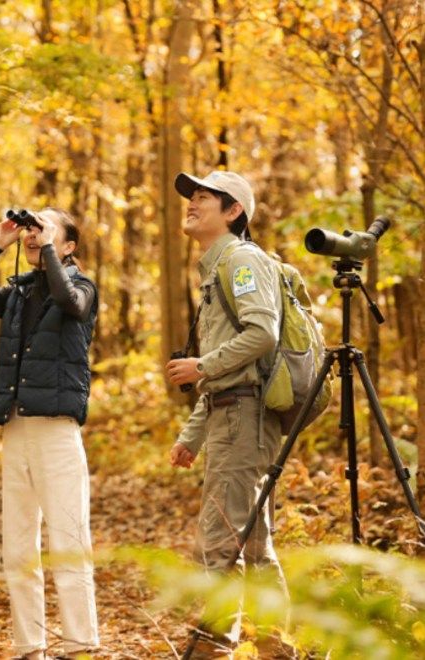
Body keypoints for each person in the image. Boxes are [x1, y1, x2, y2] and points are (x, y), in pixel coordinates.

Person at [0, 208, 99, 660]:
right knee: (18, 547)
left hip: (57, 432)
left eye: (46, 229)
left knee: (68, 542)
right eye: (33, 229)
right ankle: (29, 646)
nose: (34, 236)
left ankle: (79, 646)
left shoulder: (83, 287)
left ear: (68, 245)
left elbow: (70, 302)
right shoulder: (17, 293)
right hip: (16, 428)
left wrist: (48, 245)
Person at [165, 171, 287, 655]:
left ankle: (211, 646)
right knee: (253, 543)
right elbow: (227, 367)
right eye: (190, 198)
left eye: (202, 198)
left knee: (221, 536)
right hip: (230, 414)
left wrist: (202, 365)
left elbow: (262, 335)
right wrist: (192, 434)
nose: (191, 205)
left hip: (243, 417)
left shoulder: (240, 262)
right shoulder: (217, 269)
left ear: (234, 211)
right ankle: (278, 646)